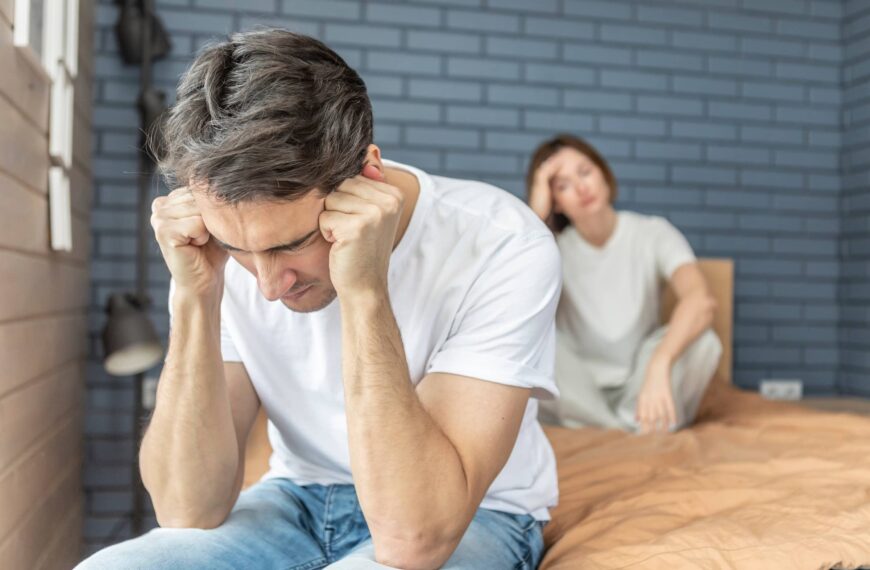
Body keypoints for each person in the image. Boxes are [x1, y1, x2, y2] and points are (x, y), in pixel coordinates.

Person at [76, 29, 561, 570]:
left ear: (367, 177)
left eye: (292, 245)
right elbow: (186, 509)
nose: (267, 285)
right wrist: (194, 296)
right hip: (299, 502)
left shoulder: (502, 243)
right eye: (239, 249)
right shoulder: (214, 248)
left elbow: (414, 538)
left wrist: (365, 291)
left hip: (476, 514)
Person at [527, 134, 723, 435]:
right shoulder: (548, 248)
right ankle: (629, 427)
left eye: (585, 172)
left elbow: (700, 300)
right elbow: (510, 304)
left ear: (604, 175)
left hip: (641, 380)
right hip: (580, 389)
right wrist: (536, 213)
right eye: (562, 185)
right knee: (533, 341)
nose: (581, 188)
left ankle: (616, 425)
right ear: (556, 202)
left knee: (703, 340)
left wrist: (660, 364)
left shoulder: (653, 232)